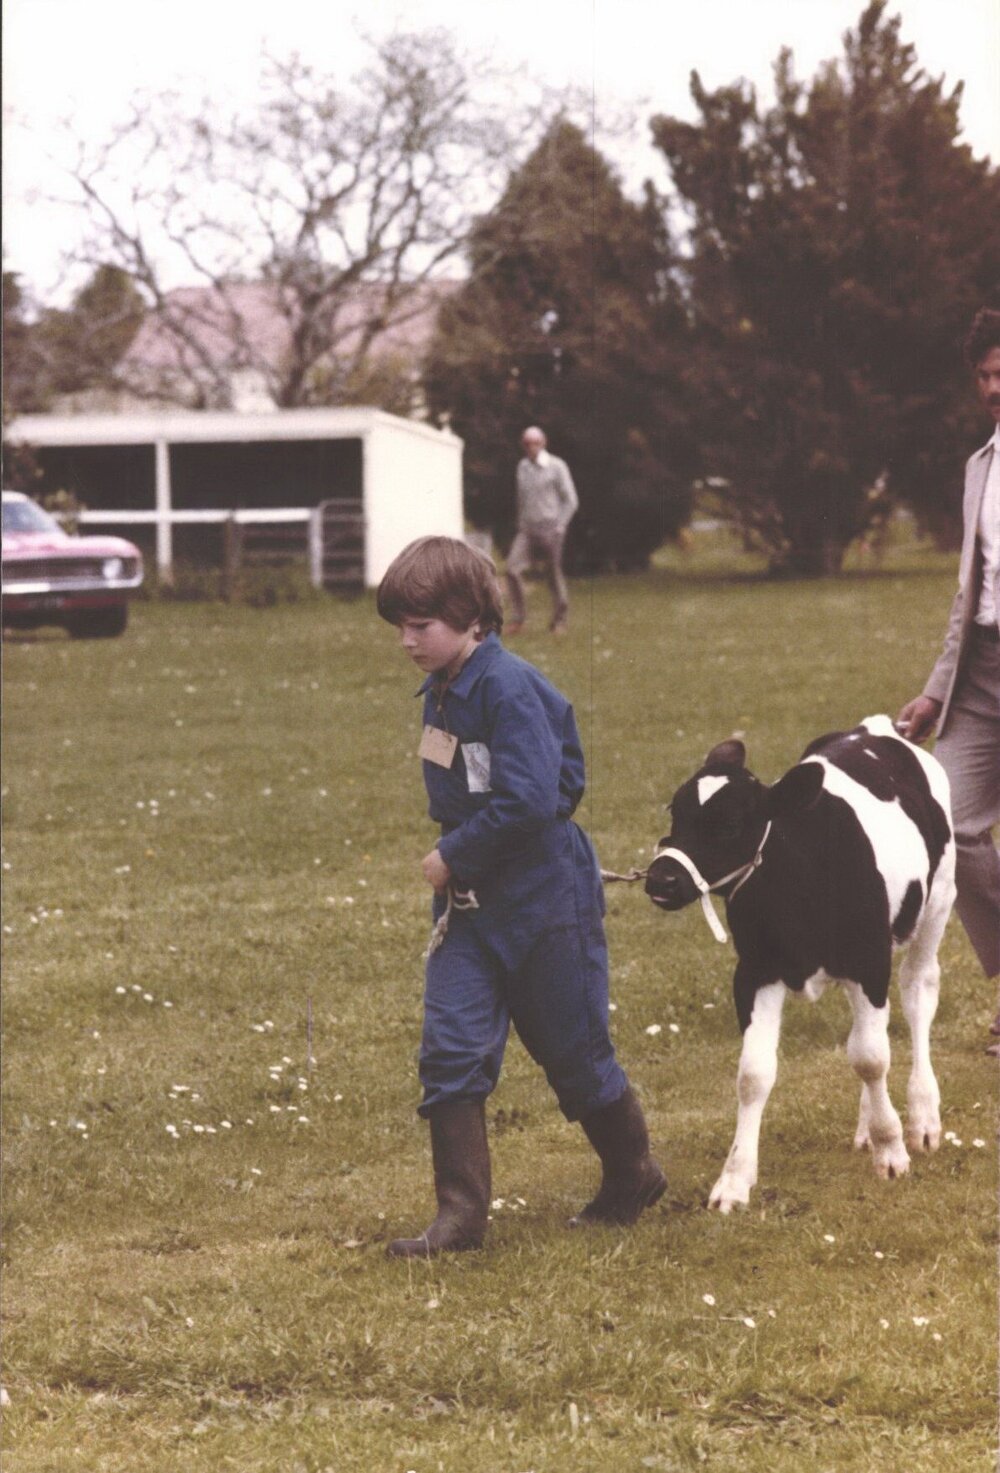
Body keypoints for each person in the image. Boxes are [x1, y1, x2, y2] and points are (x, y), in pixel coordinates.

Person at [377, 536, 665, 1257]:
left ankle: (633, 1172)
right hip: (469, 910)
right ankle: (461, 1217)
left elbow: (536, 798)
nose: (407, 640)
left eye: (421, 626)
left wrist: (454, 852)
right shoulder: (443, 686)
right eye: (401, 626)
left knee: (572, 1051)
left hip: (544, 900)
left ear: (472, 616)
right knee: (451, 1047)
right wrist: (462, 862)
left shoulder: (507, 688)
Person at [897, 307, 1000, 1055]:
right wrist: (938, 687)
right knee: (956, 828)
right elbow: (969, 594)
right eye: (986, 376)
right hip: (983, 678)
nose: (995, 386)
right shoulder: (979, 468)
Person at [506, 426, 579, 635]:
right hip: (527, 529)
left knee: (553, 574)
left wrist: (560, 525)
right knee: (512, 569)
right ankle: (518, 619)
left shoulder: (557, 466)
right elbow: (521, 499)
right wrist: (520, 523)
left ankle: (559, 621)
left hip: (551, 529)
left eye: (535, 442)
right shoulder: (522, 467)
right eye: (527, 443)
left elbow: (571, 500)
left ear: (543, 443)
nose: (531, 447)